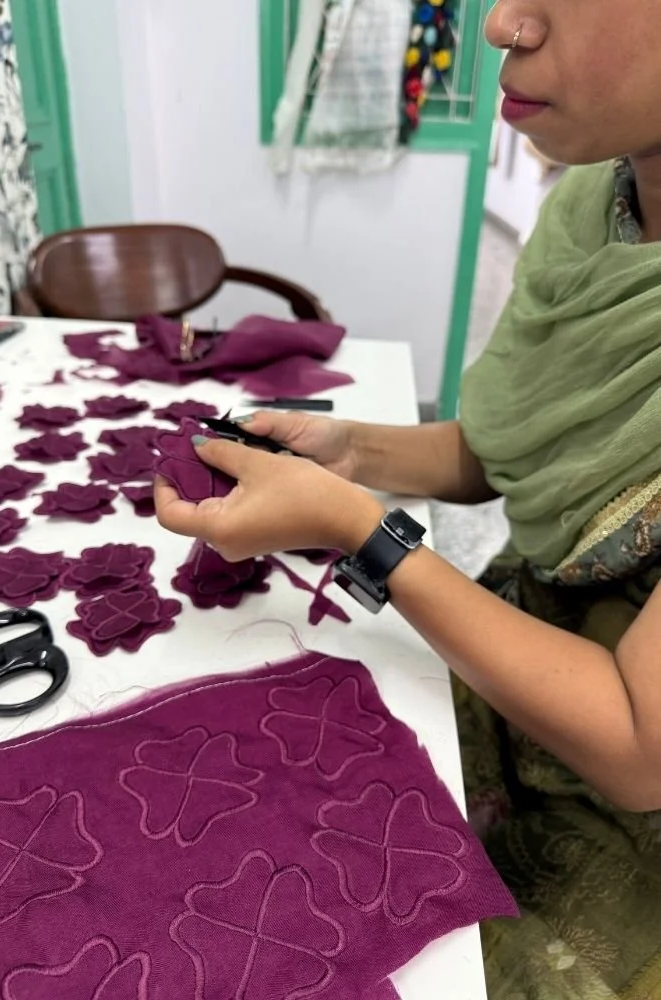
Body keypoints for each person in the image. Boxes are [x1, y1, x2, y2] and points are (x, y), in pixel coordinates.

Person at [154, 3, 661, 995]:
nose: (502, 24)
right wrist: (349, 449)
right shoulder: (587, 211)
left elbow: (639, 747)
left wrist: (363, 535)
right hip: (516, 656)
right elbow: (507, 450)